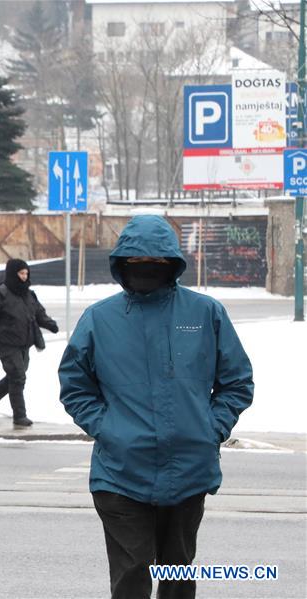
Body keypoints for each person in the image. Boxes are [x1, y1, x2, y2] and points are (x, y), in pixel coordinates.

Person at [58, 215, 254, 599]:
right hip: (120, 475)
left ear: (172, 264)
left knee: (177, 577)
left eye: (156, 263)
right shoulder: (100, 319)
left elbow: (237, 381)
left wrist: (209, 428)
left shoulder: (205, 314)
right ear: (121, 265)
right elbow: (74, 385)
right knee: (132, 576)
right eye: (135, 263)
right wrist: (109, 427)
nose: (146, 270)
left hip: (189, 472)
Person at [0, 258, 58, 425]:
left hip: (25, 343)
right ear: (12, 273)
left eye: (26, 273)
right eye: (21, 273)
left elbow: (39, 313)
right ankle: (19, 416)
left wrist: (50, 324)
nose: (24, 277)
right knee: (17, 377)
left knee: (16, 376)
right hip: (6, 342)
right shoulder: (1, 294)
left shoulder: (29, 294)